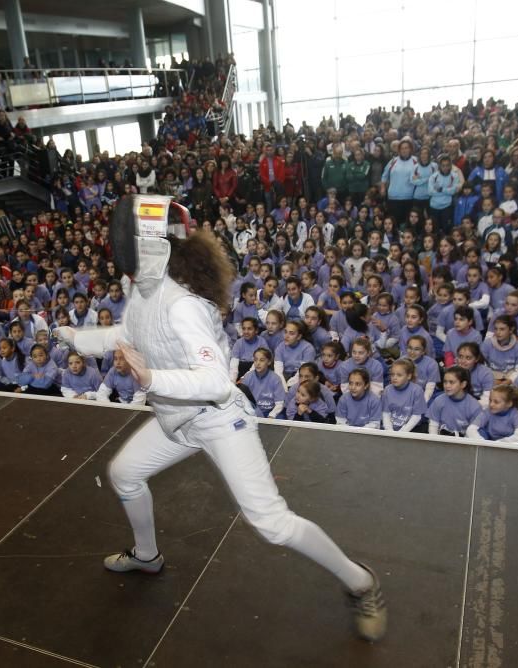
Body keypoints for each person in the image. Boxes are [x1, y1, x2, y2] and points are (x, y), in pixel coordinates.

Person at [54, 195, 386, 641]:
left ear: (151, 246)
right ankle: (147, 555)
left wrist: (150, 376)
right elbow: (126, 333)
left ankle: (362, 583)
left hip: (218, 420)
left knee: (272, 524)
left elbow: (214, 381)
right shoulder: (143, 294)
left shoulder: (184, 305)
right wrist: (79, 338)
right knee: (125, 473)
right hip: (177, 422)